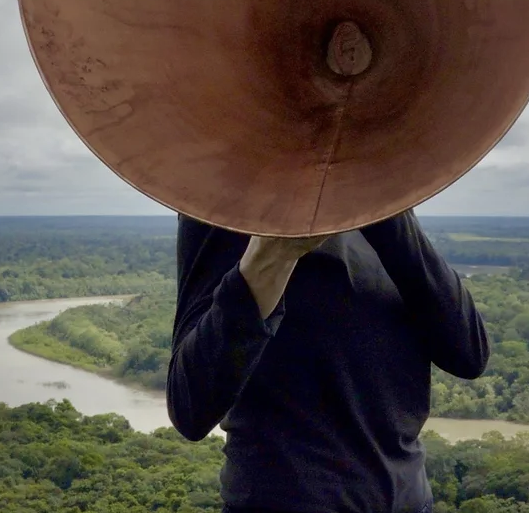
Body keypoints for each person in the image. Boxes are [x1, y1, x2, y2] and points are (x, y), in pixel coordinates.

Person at [167, 208, 490, 513]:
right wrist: (269, 259)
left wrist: (387, 206)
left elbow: (469, 354)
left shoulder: (388, 210)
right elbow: (190, 408)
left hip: (408, 500)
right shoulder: (217, 205)